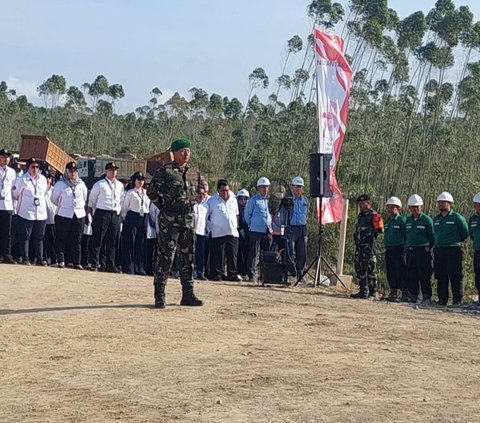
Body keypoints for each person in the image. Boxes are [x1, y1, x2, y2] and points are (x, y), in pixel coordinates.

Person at [147, 138, 203, 308]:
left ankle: (188, 294)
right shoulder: (165, 172)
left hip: (187, 219)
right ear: (174, 153)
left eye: (188, 150)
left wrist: (198, 197)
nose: (186, 154)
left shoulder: (194, 172)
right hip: (170, 220)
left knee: (188, 258)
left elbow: (199, 190)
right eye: (182, 151)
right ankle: (160, 295)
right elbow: (151, 192)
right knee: (165, 257)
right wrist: (164, 206)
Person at [88, 162, 125, 273]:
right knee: (98, 240)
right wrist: (96, 212)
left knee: (112, 241)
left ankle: (110, 264)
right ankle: (94, 263)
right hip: (102, 213)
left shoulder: (120, 185)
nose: (113, 172)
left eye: (115, 170)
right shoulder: (100, 184)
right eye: (111, 170)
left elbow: (121, 200)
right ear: (106, 171)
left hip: (114, 214)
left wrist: (118, 212)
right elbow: (92, 200)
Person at [433, 192, 469, 306]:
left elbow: (465, 232)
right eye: (439, 202)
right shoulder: (436, 219)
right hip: (440, 250)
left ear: (450, 203)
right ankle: (442, 299)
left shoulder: (457, 218)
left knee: (455, 275)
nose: (441, 204)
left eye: (444, 202)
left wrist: (455, 241)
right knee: (441, 275)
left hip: (453, 250)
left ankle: (457, 300)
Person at [51, 161, 88, 269]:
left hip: (78, 214)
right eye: (70, 171)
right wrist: (64, 206)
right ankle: (61, 260)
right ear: (66, 171)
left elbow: (84, 198)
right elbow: (54, 199)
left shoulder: (81, 184)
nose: (73, 173)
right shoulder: (60, 184)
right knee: (61, 238)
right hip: (64, 214)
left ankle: (76, 261)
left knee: (77, 239)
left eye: (75, 171)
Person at [12, 158, 49, 265]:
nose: (35, 169)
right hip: (26, 212)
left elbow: (44, 192)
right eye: (33, 167)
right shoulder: (22, 180)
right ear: (28, 167)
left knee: (39, 237)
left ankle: (40, 259)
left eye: (37, 167)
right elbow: (15, 194)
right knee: (25, 237)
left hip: (40, 212)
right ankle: (25, 258)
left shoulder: (42, 179)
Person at [206, 179, 241, 281]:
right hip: (218, 232)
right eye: (223, 191)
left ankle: (232, 274)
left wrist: (236, 226)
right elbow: (207, 217)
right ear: (218, 190)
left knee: (232, 255)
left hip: (232, 232)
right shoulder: (212, 201)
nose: (225, 193)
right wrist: (210, 228)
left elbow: (236, 214)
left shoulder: (233, 200)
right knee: (218, 255)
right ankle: (217, 274)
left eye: (227, 190)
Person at [351, 194, 384, 299]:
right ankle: (363, 290)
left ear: (368, 203)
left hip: (369, 247)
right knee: (359, 268)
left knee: (370, 269)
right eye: (359, 203)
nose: (360, 205)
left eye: (362, 203)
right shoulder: (360, 216)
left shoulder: (374, 215)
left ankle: (372, 292)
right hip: (359, 247)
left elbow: (380, 230)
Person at [404, 194, 435, 304]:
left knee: (424, 274)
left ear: (421, 207)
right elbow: (406, 235)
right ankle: (413, 296)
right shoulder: (408, 220)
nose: (415, 209)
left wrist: (427, 248)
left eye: (417, 207)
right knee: (412, 274)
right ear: (409, 208)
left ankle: (426, 297)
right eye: (413, 207)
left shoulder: (427, 220)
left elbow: (432, 237)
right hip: (411, 250)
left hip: (423, 250)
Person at [121, 171, 150, 275]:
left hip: (143, 217)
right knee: (130, 242)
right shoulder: (130, 193)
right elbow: (125, 207)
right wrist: (124, 218)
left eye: (142, 180)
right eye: (138, 180)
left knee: (141, 243)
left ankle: (139, 267)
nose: (140, 182)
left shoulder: (146, 193)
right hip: (132, 216)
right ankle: (129, 266)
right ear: (134, 181)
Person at [244, 177, 272, 281]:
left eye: (267, 187)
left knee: (266, 254)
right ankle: (251, 275)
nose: (265, 189)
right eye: (263, 187)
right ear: (258, 188)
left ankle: (264, 275)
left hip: (267, 231)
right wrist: (252, 225)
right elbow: (247, 215)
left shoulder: (270, 200)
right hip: (255, 230)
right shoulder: (253, 200)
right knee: (253, 253)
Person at [383, 196, 407, 301]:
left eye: (392, 207)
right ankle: (393, 291)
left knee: (401, 271)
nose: (389, 209)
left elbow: (406, 235)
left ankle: (404, 293)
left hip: (399, 249)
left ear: (398, 208)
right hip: (389, 249)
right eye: (388, 207)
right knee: (391, 271)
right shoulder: (387, 221)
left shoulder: (402, 221)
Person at [286, 176, 309, 281]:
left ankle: (301, 276)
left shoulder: (305, 200)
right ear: (292, 187)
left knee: (302, 253)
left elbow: (306, 214)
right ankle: (292, 274)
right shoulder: (288, 200)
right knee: (291, 252)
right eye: (296, 187)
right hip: (292, 228)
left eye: (300, 187)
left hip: (302, 228)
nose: (298, 189)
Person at [0, 149, 17, 263]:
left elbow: (13, 189)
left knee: (7, 232)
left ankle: (6, 254)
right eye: (3, 156)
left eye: (7, 157)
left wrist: (14, 206)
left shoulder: (11, 172)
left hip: (7, 204)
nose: (5, 159)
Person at [193, 184, 209, 280]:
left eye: (202, 194)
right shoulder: (191, 205)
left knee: (200, 254)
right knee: (190, 253)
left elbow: (207, 219)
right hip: (192, 231)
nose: (200, 195)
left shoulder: (206, 206)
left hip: (202, 232)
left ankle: (200, 272)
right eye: (199, 193)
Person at [43, 171, 57, 265]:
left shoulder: (54, 189)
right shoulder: (41, 189)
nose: (48, 179)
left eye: (50, 177)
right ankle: (43, 258)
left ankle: (53, 258)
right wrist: (46, 186)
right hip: (43, 217)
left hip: (53, 218)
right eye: (46, 177)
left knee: (53, 240)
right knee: (43, 239)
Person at [469, 192, 480, 305]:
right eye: (478, 204)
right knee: (478, 273)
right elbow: (471, 234)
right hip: (478, 250)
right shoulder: (472, 219)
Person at [236, 189, 250, 280]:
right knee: (239, 253)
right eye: (241, 199)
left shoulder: (249, 209)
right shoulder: (236, 209)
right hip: (238, 234)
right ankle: (239, 272)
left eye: (245, 199)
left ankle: (246, 272)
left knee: (247, 253)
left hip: (248, 234)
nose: (243, 201)